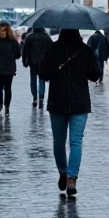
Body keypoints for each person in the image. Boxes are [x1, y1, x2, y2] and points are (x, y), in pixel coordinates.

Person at [38, 29, 101, 196]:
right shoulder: (85, 49)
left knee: (59, 141)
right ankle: (72, 178)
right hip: (79, 101)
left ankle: (63, 172)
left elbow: (43, 74)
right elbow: (95, 75)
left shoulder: (53, 49)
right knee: (76, 141)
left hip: (57, 100)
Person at [21, 24, 51, 108]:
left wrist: (24, 62)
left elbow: (24, 50)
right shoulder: (46, 37)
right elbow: (52, 49)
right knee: (42, 80)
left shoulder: (29, 37)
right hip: (43, 63)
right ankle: (41, 98)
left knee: (33, 80)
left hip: (32, 62)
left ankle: (34, 98)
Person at [0, 19, 21, 112]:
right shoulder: (13, 41)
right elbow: (18, 55)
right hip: (10, 68)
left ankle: (0, 104)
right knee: (8, 88)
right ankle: (7, 106)